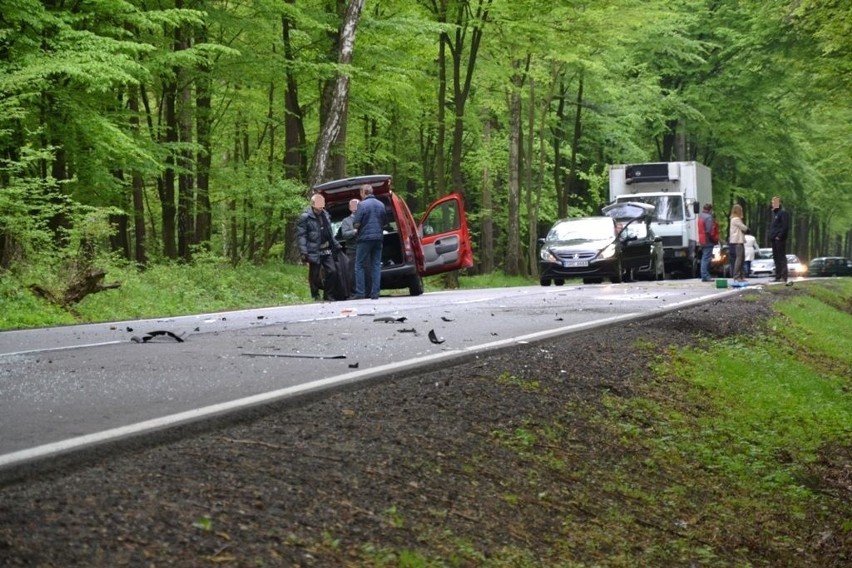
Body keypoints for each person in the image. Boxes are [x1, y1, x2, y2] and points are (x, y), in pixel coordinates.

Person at [296, 193, 342, 301]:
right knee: (315, 275)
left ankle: (328, 294)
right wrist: (304, 251)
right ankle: (315, 295)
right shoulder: (305, 217)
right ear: (313, 204)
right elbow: (301, 235)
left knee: (332, 271)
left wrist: (336, 244)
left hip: (326, 249)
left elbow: (330, 233)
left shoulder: (325, 214)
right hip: (313, 249)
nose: (321, 206)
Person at [351, 184, 387, 300]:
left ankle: (360, 292)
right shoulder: (381, 204)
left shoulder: (362, 205)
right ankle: (375, 293)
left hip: (365, 238)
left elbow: (356, 221)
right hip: (378, 238)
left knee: (359, 265)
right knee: (376, 265)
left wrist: (356, 228)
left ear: (363, 192)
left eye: (360, 193)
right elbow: (385, 221)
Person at [337, 198, 361, 298]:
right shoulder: (346, 221)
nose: (355, 208)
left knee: (366, 269)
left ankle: (366, 291)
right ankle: (354, 292)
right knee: (351, 272)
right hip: (352, 249)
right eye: (353, 205)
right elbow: (344, 234)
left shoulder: (364, 218)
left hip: (364, 247)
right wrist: (354, 232)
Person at [769, 195, 789, 282]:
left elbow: (785, 226)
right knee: (776, 257)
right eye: (772, 203)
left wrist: (779, 236)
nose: (773, 204)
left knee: (781, 257)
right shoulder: (775, 214)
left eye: (775, 202)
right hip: (773, 238)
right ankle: (777, 276)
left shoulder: (783, 213)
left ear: (779, 203)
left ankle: (784, 276)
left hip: (779, 239)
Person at [697, 203, 717, 282]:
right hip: (707, 240)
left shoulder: (700, 216)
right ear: (710, 209)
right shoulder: (708, 217)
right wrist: (714, 239)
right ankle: (705, 276)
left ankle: (704, 275)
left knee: (704, 258)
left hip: (702, 239)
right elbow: (709, 230)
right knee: (706, 258)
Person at [728, 204, 748, 282]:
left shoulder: (733, 219)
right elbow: (743, 227)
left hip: (738, 241)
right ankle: (737, 276)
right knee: (739, 259)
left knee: (741, 259)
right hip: (737, 241)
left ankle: (741, 275)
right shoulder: (736, 219)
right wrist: (747, 229)